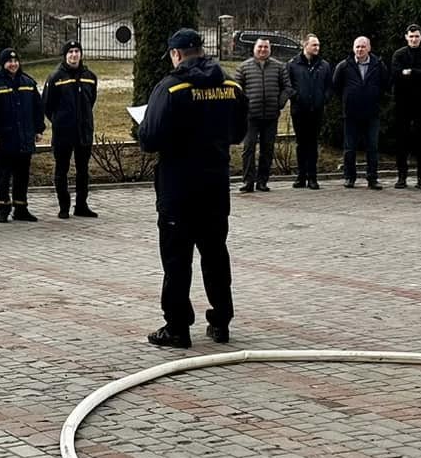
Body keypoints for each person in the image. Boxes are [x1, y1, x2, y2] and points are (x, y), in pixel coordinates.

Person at [137, 27, 246, 348]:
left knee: (176, 258)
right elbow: (238, 133)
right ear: (201, 50)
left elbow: (149, 139)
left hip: (178, 187)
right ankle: (221, 320)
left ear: (176, 54)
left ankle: (177, 326)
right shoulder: (230, 86)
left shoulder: (170, 88)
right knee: (215, 253)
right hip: (215, 184)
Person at [0, 49, 45, 223]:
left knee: (22, 174)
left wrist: (39, 129)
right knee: (4, 174)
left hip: (24, 136)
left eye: (15, 61)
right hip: (5, 138)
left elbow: (38, 108)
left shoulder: (28, 82)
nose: (13, 64)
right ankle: (2, 208)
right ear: (3, 64)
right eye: (9, 61)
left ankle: (21, 207)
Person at [43, 40, 99, 218]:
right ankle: (64, 207)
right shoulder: (55, 78)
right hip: (63, 133)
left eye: (77, 51)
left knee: (83, 170)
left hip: (84, 131)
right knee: (62, 169)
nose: (74, 55)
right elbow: (47, 105)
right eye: (70, 52)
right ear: (65, 55)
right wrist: (60, 120)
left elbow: (91, 100)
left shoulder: (90, 76)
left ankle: (81, 205)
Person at [235, 36, 292, 193]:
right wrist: (244, 106)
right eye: (260, 47)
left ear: (270, 49)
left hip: (271, 116)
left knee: (267, 150)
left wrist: (279, 103)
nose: (262, 50)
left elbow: (287, 88)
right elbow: (236, 90)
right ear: (254, 48)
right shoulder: (244, 67)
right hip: (250, 117)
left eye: (265, 47)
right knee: (248, 149)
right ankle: (248, 181)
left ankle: (262, 181)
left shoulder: (279, 67)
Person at [331, 35, 388, 189]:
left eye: (363, 46)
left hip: (372, 113)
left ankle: (372, 178)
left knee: (372, 147)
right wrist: (348, 100)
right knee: (350, 148)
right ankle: (349, 177)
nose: (360, 49)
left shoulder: (378, 65)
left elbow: (385, 85)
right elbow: (336, 87)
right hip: (351, 114)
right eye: (357, 46)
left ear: (369, 48)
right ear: (353, 48)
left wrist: (374, 97)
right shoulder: (343, 66)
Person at [388, 23, 421, 190]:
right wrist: (416, 74)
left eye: (417, 36)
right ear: (406, 37)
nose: (414, 39)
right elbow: (396, 75)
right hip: (402, 103)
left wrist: (411, 72)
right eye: (411, 37)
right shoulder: (399, 54)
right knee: (401, 140)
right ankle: (401, 177)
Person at [285, 34, 331, 189]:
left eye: (318, 45)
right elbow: (287, 85)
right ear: (305, 45)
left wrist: (323, 99)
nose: (317, 48)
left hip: (316, 110)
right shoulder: (293, 64)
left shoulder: (324, 65)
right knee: (301, 144)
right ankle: (301, 176)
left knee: (312, 143)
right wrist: (296, 97)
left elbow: (328, 86)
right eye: (314, 45)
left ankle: (313, 177)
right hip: (299, 110)